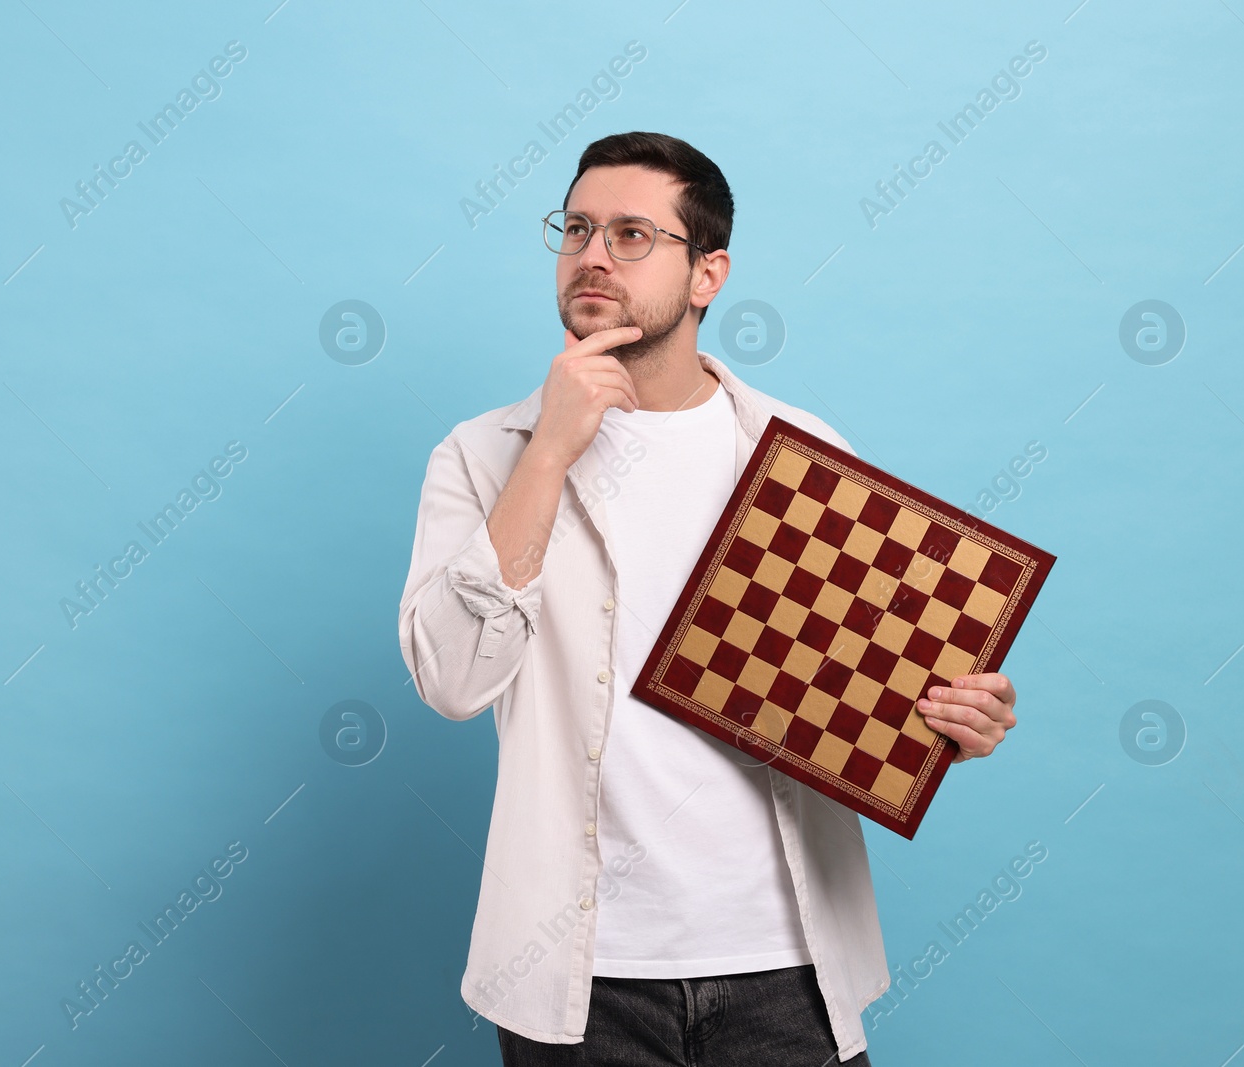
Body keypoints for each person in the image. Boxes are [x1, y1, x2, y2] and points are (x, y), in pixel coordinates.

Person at [397, 131, 1020, 1066]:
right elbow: (451, 680)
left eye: (633, 233)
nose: (594, 254)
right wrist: (551, 450)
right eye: (576, 229)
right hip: (578, 980)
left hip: (788, 970)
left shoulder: (799, 447)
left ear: (708, 274)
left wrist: (947, 720)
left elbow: (851, 680)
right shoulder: (484, 454)